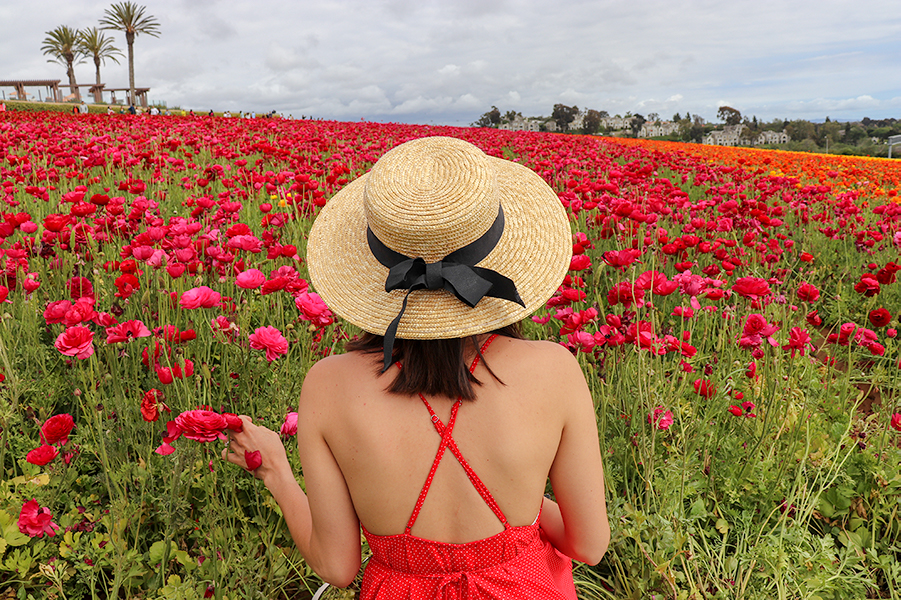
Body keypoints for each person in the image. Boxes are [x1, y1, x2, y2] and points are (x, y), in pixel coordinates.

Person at [223, 136, 609, 598]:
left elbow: (337, 567)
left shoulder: (328, 386)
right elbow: (588, 544)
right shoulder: (554, 371)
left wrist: (276, 474)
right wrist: (519, 503)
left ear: (376, 263)